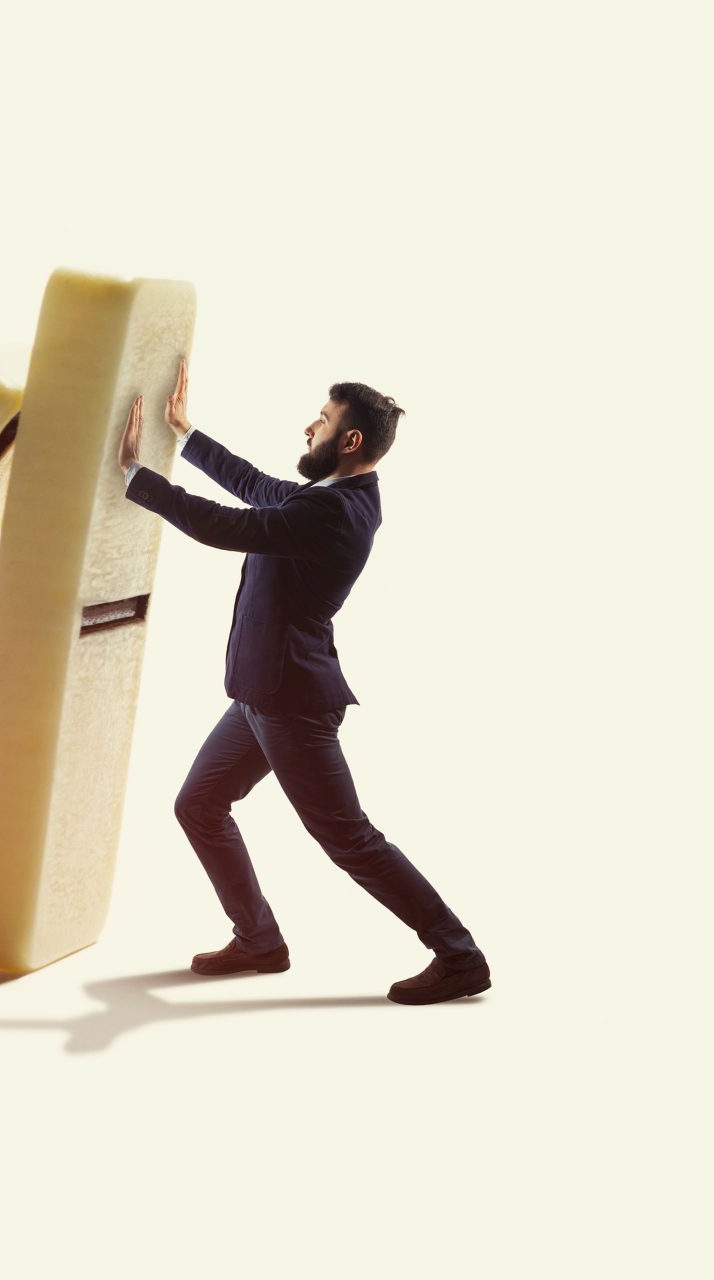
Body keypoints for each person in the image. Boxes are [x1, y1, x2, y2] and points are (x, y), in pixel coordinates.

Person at [117, 360, 488, 1005]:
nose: (308, 426)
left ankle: (459, 956)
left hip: (291, 704)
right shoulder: (327, 497)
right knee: (199, 805)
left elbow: (227, 526)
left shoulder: (335, 513)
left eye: (321, 420)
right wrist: (186, 434)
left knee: (350, 839)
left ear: (349, 442)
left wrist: (133, 476)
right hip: (262, 697)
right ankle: (259, 940)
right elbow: (256, 487)